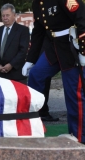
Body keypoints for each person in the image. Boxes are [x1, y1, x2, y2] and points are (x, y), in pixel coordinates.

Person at [22, 0, 85, 143]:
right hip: (53, 48)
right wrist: (30, 60)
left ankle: (79, 137)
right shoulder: (37, 3)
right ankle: (33, 125)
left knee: (74, 95)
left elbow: (82, 17)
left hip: (70, 49)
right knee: (36, 75)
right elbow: (38, 31)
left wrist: (83, 50)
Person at [0, 3, 29, 85]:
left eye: (7, 15)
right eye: (3, 16)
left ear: (14, 15)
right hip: (1, 75)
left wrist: (11, 65)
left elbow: (23, 51)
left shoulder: (23, 30)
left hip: (17, 74)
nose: (5, 18)